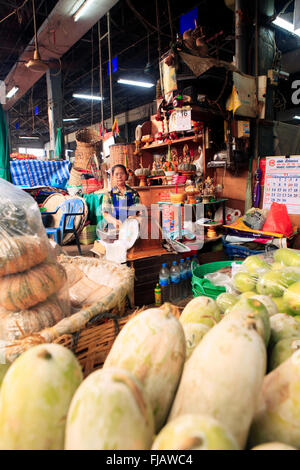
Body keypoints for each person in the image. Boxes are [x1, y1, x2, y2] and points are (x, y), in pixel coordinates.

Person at [102, 164, 140, 230]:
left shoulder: (134, 193)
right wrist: (114, 221)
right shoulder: (109, 194)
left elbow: (140, 211)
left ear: (126, 175)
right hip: (114, 228)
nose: (119, 176)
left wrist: (134, 217)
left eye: (122, 173)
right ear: (113, 177)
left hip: (131, 228)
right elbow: (105, 214)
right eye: (116, 174)